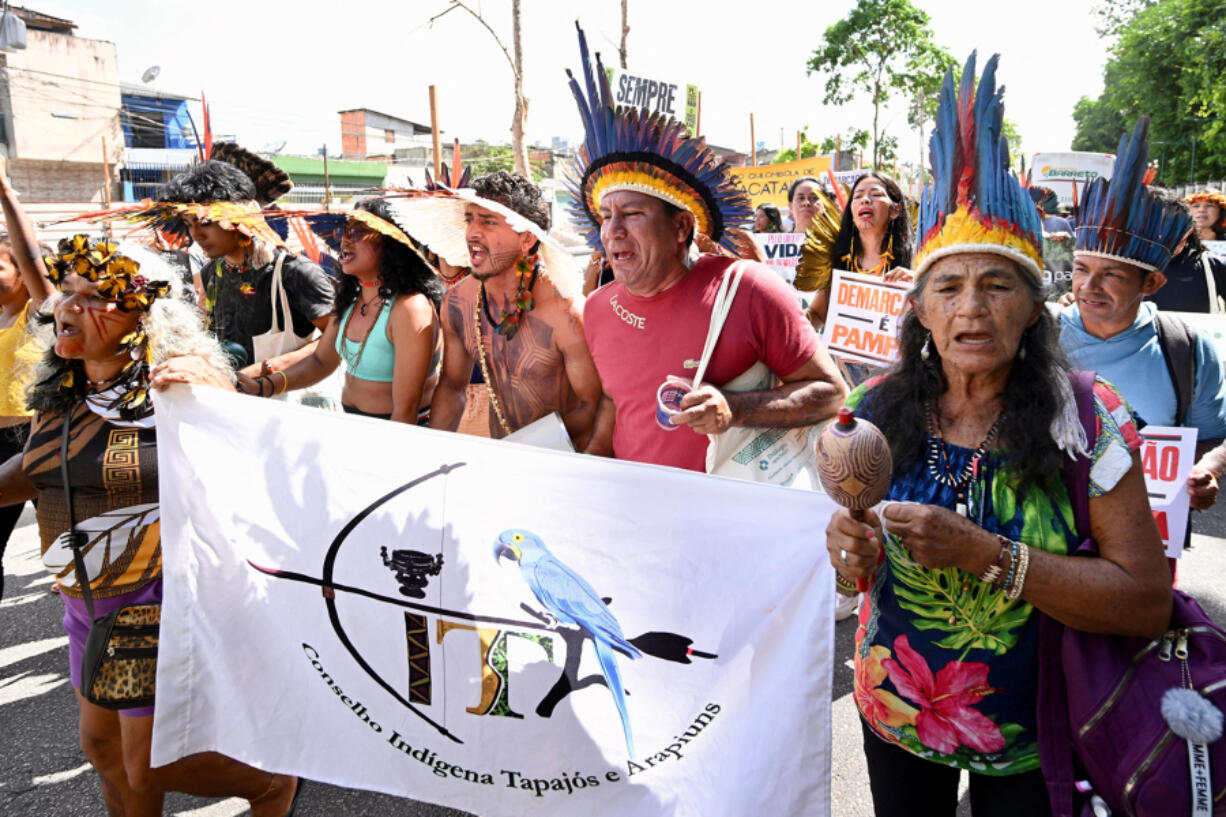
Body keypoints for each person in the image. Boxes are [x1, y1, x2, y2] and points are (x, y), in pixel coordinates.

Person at [826, 54, 1172, 817]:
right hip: (892, 720)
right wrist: (845, 550)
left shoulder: (1089, 417)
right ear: (919, 310)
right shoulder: (873, 407)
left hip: (1036, 742)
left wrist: (989, 555)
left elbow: (1145, 600)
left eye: (997, 284)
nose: (971, 309)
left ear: (1033, 310)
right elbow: (848, 564)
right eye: (948, 287)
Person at [0, 236, 301, 816]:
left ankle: (272, 786)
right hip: (84, 601)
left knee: (151, 763)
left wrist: (212, 385)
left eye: (94, 298)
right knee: (104, 752)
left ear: (145, 315)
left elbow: (256, 457)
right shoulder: (61, 393)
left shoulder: (178, 390)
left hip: (155, 599)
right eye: (68, 293)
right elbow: (34, 470)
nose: (68, 307)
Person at [563, 24, 846, 468]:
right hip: (636, 517)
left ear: (681, 228)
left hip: (730, 523)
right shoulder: (596, 308)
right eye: (605, 217)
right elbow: (618, 406)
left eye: (632, 214)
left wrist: (736, 409)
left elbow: (832, 394)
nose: (613, 230)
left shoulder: (748, 289)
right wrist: (589, 469)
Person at [1059, 119, 1225, 519]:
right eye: (1081, 269)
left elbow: (1214, 436)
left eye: (1111, 274)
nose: (1089, 286)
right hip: (1042, 543)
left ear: (1151, 282)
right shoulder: (1036, 337)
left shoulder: (1184, 349)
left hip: (1146, 545)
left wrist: (1206, 470)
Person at [393, 171, 602, 447]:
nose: (472, 232)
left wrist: (525, 448)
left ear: (526, 240)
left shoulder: (566, 312)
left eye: (489, 222)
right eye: (470, 220)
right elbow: (453, 386)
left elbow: (593, 406)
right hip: (502, 458)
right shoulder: (457, 303)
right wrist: (436, 451)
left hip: (563, 462)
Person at [236, 198, 443, 423]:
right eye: (347, 229)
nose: (345, 238)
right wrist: (265, 387)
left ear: (391, 243)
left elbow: (406, 411)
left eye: (360, 230)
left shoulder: (410, 308)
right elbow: (321, 361)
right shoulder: (351, 296)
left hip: (396, 432)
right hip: (355, 426)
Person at [158, 146, 333, 368]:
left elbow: (339, 340)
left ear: (240, 216)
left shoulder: (295, 273)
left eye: (204, 221)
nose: (195, 234)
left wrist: (271, 372)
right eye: (187, 223)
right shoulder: (211, 272)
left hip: (282, 398)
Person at [0, 161, 53, 597]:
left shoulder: (40, 314)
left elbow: (34, 259)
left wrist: (4, 191)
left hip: (35, 438)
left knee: (65, 545)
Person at [799, 171, 915, 327]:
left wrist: (920, 289)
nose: (865, 200)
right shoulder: (839, 260)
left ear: (896, 210)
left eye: (876, 194)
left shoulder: (917, 260)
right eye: (858, 196)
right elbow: (818, 315)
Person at [1145, 193, 1226, 314]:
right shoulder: (1128, 267)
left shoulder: (1214, 266)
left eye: (1172, 227)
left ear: (1188, 231)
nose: (1163, 236)